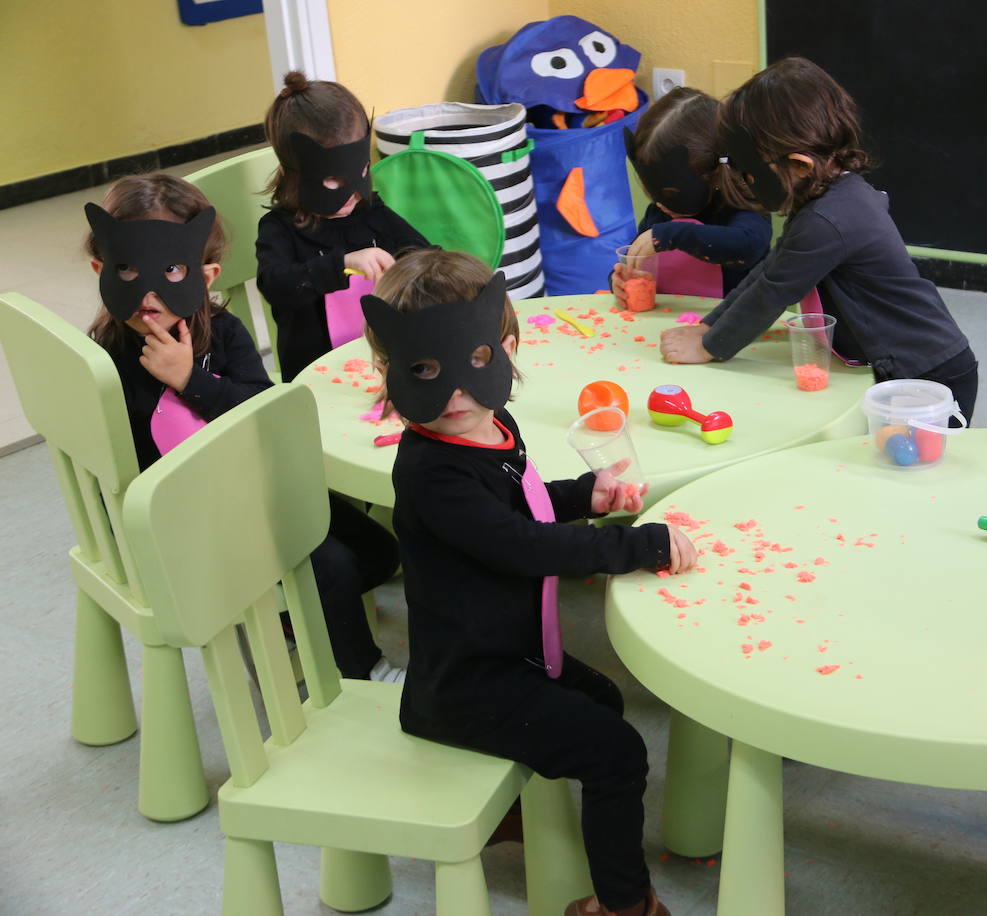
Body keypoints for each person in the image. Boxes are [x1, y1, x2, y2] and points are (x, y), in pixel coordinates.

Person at [364, 249, 692, 916]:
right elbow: (520, 545)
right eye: (425, 372)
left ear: (504, 352)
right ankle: (625, 906)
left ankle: (516, 811)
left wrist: (585, 497)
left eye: (472, 365)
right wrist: (636, 545)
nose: (453, 393)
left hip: (510, 652)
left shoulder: (493, 424)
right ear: (389, 374)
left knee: (601, 699)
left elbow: (526, 503)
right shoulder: (434, 471)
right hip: (465, 685)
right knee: (617, 753)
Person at [87, 173, 402, 681]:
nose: (147, 292)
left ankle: (286, 620)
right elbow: (120, 468)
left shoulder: (224, 333)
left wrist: (192, 380)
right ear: (101, 269)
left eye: (169, 269)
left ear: (206, 275)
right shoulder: (106, 361)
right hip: (184, 519)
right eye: (127, 269)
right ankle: (363, 670)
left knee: (379, 552)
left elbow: (261, 408)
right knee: (332, 566)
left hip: (254, 485)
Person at [659, 57, 979, 419]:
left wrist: (709, 346)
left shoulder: (827, 220)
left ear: (799, 164)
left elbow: (773, 291)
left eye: (754, 169)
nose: (748, 181)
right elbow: (771, 269)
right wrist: (710, 324)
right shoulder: (828, 196)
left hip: (926, 374)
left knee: (910, 469)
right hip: (907, 363)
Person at [256, 71, 430, 381]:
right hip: (316, 379)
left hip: (386, 370)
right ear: (294, 174)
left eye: (362, 170)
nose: (352, 192)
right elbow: (275, 285)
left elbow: (425, 255)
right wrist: (342, 264)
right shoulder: (279, 229)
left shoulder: (371, 212)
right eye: (334, 179)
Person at [614, 86, 770, 304]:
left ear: (711, 174)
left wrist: (673, 235)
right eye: (652, 191)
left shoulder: (742, 204)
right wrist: (621, 281)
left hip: (732, 331)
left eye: (669, 192)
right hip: (664, 328)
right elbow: (636, 262)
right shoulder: (659, 215)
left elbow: (747, 248)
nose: (659, 203)